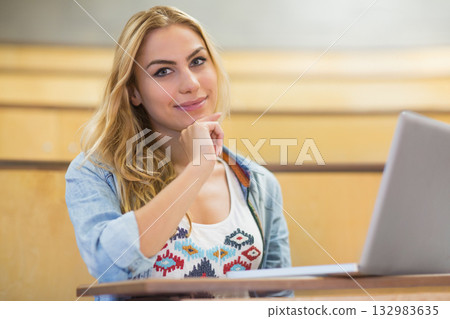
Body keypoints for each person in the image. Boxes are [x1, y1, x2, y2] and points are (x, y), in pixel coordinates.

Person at [65, 5, 292, 300]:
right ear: (134, 92)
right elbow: (109, 266)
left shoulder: (258, 183)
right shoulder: (95, 173)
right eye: (163, 71)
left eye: (198, 61)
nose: (191, 84)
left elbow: (277, 297)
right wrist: (197, 172)